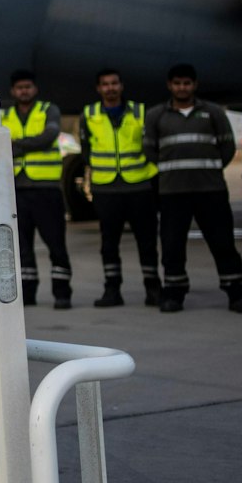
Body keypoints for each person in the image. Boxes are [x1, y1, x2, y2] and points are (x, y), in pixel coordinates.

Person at [145, 64, 242, 313]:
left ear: (195, 85)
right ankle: (173, 294)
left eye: (187, 83)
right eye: (178, 83)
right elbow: (150, 150)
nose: (182, 88)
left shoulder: (213, 112)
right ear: (170, 85)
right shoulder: (156, 115)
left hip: (210, 191)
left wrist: (209, 170)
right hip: (172, 193)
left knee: (223, 243)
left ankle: (236, 293)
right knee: (172, 246)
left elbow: (227, 148)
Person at [78, 70, 160, 307]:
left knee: (147, 241)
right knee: (109, 243)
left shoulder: (141, 112)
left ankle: (152, 288)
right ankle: (112, 290)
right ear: (98, 88)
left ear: (122, 86)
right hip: (106, 188)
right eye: (105, 84)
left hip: (139, 185)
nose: (110, 88)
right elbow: (86, 149)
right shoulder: (89, 114)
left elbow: (151, 144)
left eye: (114, 83)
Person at [2, 70, 71, 307]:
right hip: (16, 190)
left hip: (46, 188)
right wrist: (21, 144)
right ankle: (28, 294)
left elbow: (49, 136)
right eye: (19, 87)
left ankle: (62, 293)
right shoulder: (4, 114)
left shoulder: (48, 110)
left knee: (55, 243)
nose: (24, 91)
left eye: (28, 87)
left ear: (35, 89)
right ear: (13, 91)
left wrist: (15, 145)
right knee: (21, 246)